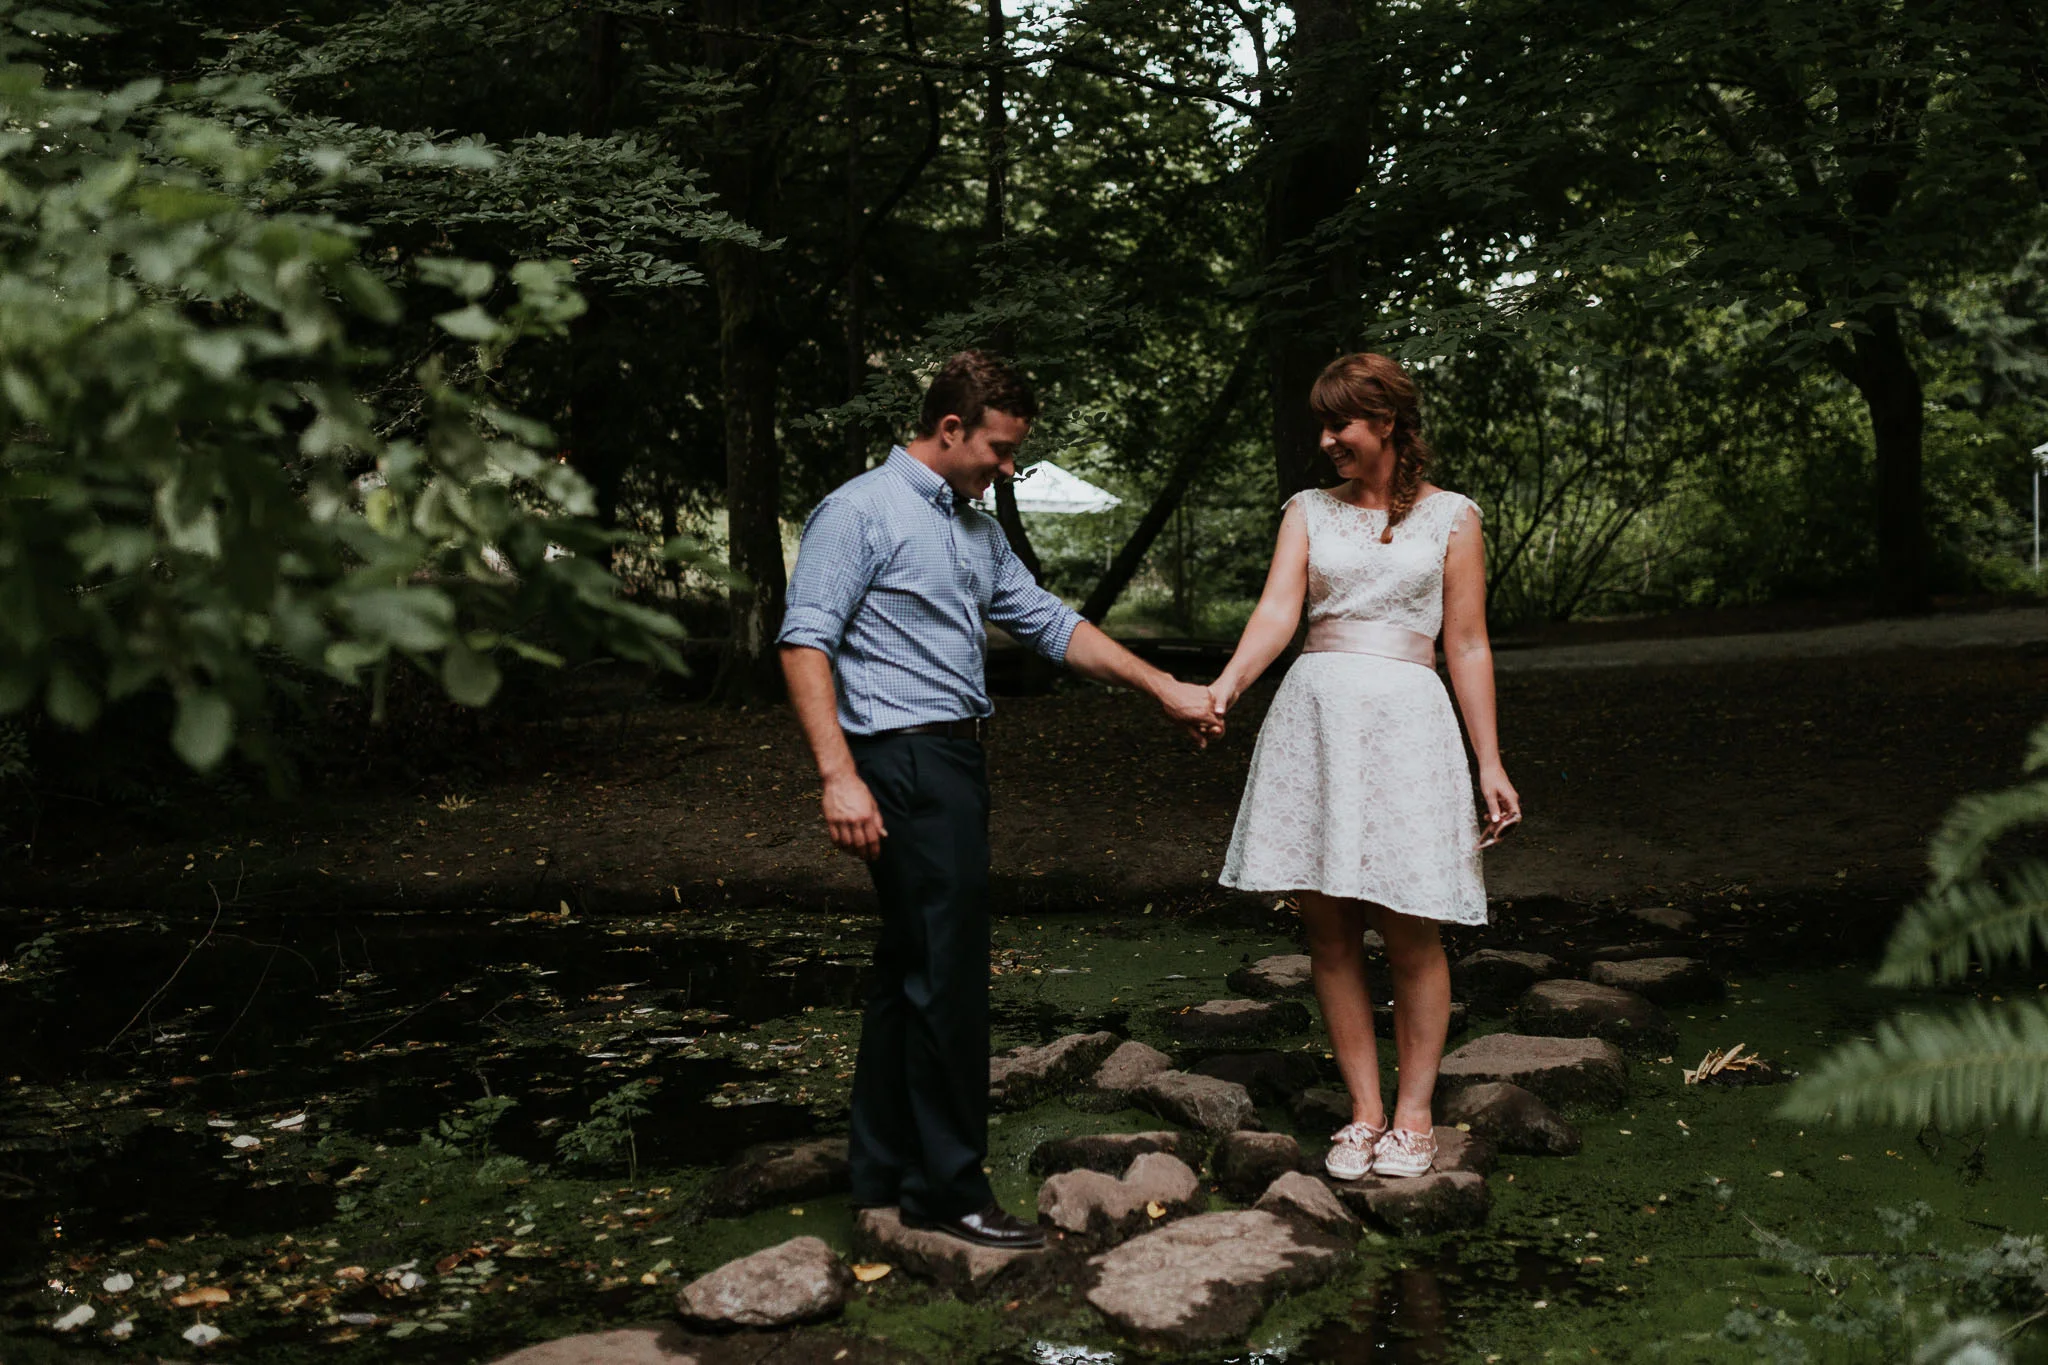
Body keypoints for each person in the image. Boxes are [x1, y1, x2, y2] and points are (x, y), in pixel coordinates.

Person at [777, 350, 1221, 1248]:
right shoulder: (860, 511)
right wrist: (838, 774)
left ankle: (882, 1170)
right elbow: (804, 641)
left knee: (911, 971)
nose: (1009, 468)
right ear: (950, 431)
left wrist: (1160, 685)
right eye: (1000, 448)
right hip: (901, 762)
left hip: (956, 766)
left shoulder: (973, 531)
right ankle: (949, 1189)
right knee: (947, 980)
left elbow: (1053, 624)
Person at [1206, 352, 1519, 1181]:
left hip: (1410, 725)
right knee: (1330, 927)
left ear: (1385, 422)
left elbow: (1469, 642)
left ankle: (1414, 1115)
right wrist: (1228, 686)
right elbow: (1278, 610)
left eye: (1339, 422)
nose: (1326, 439)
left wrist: (1490, 760)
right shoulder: (1308, 510)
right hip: (1316, 719)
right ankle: (1364, 1111)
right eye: (1323, 423)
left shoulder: (1454, 517)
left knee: (1412, 922)